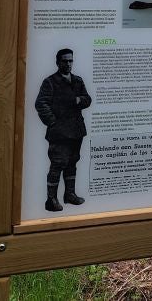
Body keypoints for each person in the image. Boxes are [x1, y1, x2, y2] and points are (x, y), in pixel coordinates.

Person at [35, 48, 92, 211]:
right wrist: (53, 122)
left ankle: (69, 195)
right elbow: (41, 103)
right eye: (65, 61)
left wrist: (79, 99)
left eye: (70, 60)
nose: (68, 63)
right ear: (58, 62)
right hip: (59, 132)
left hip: (76, 130)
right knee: (58, 163)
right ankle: (51, 200)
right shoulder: (50, 82)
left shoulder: (78, 80)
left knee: (72, 162)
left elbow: (88, 100)